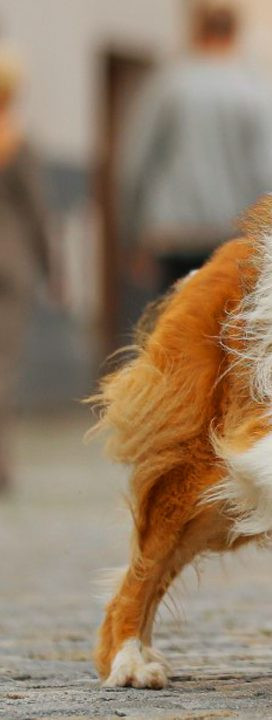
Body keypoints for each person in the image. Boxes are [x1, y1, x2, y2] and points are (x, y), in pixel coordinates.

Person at [118, 0, 272, 293]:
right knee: (218, 327)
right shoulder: (256, 91)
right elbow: (270, 171)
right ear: (235, 34)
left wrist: (132, 233)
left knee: (172, 320)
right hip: (233, 235)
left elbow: (135, 162)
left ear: (197, 32)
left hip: (173, 235)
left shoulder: (169, 85)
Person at [0, 46, 51, 493]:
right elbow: (38, 215)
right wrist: (55, 271)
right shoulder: (17, 144)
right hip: (9, 268)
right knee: (3, 365)